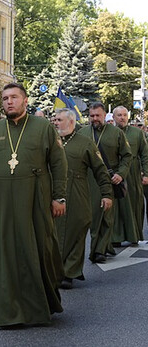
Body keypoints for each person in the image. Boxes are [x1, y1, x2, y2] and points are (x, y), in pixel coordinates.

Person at [0, 83, 67, 327]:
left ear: (25, 100)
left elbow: (58, 164)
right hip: (1, 197)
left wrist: (59, 197)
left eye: (14, 97)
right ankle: (9, 313)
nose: (9, 102)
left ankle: (39, 307)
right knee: (5, 253)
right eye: (5, 98)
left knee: (38, 250)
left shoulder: (43, 127)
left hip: (35, 195)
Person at [53, 108, 112, 289]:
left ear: (71, 122)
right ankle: (53, 271)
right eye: (54, 119)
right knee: (53, 234)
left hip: (77, 192)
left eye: (59, 119)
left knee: (77, 231)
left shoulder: (85, 143)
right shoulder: (49, 142)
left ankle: (70, 272)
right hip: (53, 192)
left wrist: (107, 194)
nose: (55, 122)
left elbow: (100, 170)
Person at [77, 103, 132, 263]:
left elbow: (127, 156)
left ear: (104, 115)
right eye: (92, 116)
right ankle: (103, 247)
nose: (94, 119)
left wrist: (121, 174)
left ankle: (98, 251)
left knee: (106, 216)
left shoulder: (116, 133)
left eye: (98, 116)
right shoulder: (82, 133)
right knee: (91, 217)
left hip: (108, 180)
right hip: (87, 180)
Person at [113, 106, 148, 242]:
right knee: (116, 206)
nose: (122, 118)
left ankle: (134, 235)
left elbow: (145, 154)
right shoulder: (109, 132)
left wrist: (146, 174)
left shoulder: (137, 133)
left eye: (124, 115)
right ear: (114, 117)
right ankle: (115, 237)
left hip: (132, 172)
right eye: (119, 115)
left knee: (134, 203)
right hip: (115, 170)